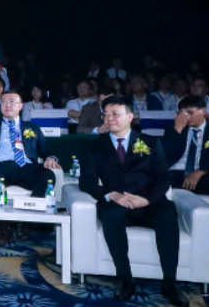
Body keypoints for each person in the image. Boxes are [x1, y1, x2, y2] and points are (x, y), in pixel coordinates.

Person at [79, 96, 186, 306]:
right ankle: (125, 278)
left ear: (130, 116)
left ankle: (170, 282)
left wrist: (146, 200)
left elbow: (163, 178)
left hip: (148, 203)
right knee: (110, 214)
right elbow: (87, 183)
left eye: (115, 114)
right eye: (106, 114)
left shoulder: (150, 142)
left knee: (167, 215)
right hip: (117, 202)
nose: (109, 118)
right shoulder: (93, 147)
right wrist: (112, 195)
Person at [0, 91, 61, 245]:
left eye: (12, 101)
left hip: (26, 167)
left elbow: (46, 150)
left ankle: (27, 221)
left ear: (21, 106)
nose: (7, 105)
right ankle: (3, 227)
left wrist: (50, 158)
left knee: (47, 175)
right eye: (3, 101)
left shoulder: (32, 127)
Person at [163, 96, 209, 195]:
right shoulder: (173, 129)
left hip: (204, 171)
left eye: (189, 112)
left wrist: (202, 171)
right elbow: (162, 154)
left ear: (203, 111)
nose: (186, 117)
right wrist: (177, 131)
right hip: (177, 171)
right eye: (182, 113)